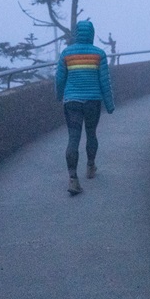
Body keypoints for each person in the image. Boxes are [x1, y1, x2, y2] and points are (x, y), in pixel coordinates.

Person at [55, 20, 114, 195]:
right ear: (92, 34)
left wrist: (59, 96)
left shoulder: (66, 53)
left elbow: (59, 78)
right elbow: (105, 82)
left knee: (73, 138)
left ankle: (73, 179)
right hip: (92, 102)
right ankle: (90, 167)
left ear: (76, 34)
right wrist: (109, 104)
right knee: (91, 133)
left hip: (72, 102)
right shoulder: (99, 54)